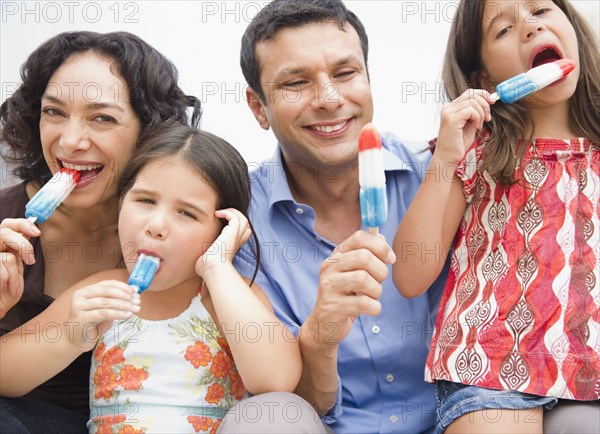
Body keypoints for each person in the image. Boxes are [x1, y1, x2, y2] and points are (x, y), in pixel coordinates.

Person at [223, 1, 447, 432]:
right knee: (264, 418)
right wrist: (319, 338)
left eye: (345, 74)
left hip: (460, 420)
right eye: (296, 82)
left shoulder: (439, 177)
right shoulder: (240, 222)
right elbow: (295, 401)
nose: (329, 99)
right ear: (257, 107)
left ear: (367, 78)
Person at [1, 124, 302, 433]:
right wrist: (67, 337)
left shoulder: (229, 296)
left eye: (186, 213)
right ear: (121, 204)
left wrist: (218, 268)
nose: (156, 225)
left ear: (223, 230)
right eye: (145, 201)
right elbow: (4, 375)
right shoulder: (102, 291)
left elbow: (277, 383)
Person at [392, 1, 600, 433]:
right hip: (487, 362)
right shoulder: (472, 149)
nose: (528, 25)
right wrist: (447, 156)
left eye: (542, 8)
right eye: (502, 30)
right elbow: (410, 275)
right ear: (485, 79)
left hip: (589, 368)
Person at [0, 31, 200, 432]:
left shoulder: (181, 234)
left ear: (149, 130)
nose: (70, 141)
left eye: (102, 118)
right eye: (54, 112)